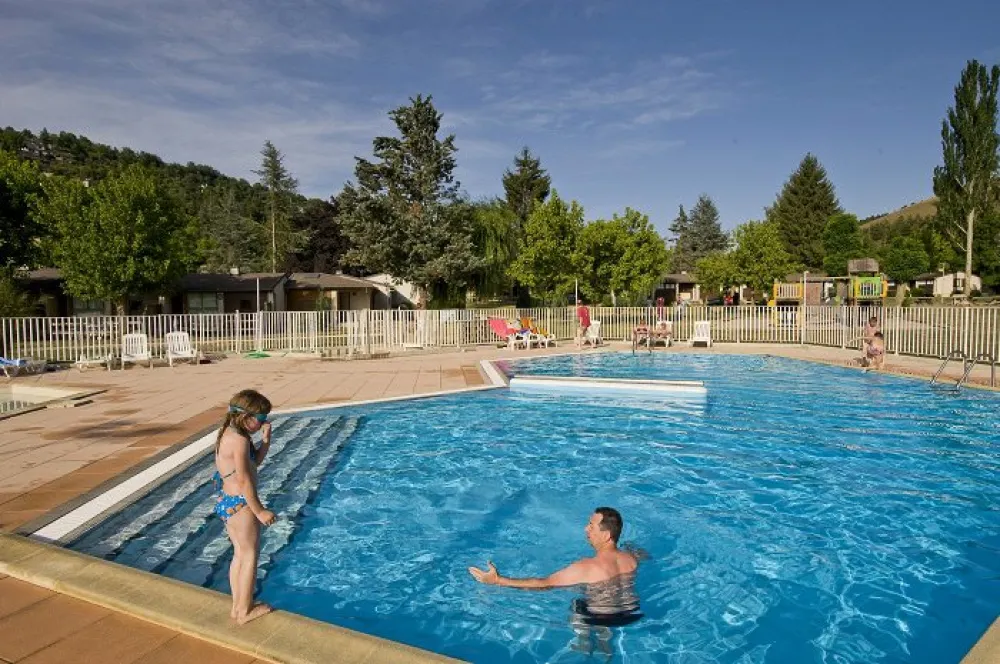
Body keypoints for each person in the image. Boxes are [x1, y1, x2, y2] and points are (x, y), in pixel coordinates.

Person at [213, 389, 277, 625]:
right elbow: (244, 480)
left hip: (227, 503)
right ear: (246, 416)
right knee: (250, 555)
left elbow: (254, 463)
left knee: (239, 555)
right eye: (261, 419)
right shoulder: (239, 441)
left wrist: (266, 441)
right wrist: (260, 511)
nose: (263, 423)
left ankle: (237, 607)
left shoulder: (227, 434)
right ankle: (245, 611)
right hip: (242, 505)